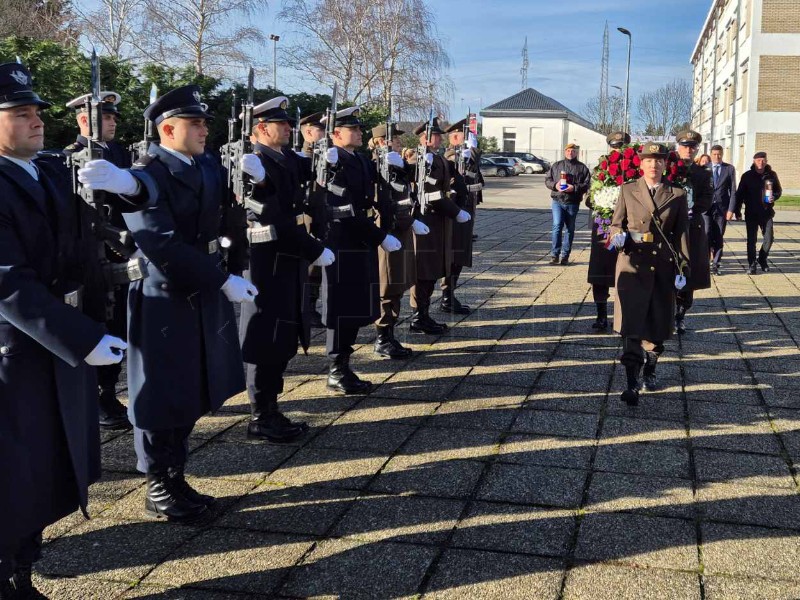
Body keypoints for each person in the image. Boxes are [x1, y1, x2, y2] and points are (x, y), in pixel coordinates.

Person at [0, 62, 153, 598]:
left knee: (44, 465)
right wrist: (83, 338)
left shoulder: (40, 171)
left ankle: (23, 567)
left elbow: (91, 228)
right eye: (20, 114)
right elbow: (8, 283)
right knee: (13, 468)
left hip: (54, 342)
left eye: (36, 113)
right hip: (16, 348)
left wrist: (125, 189)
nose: (36, 122)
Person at [122, 85, 255, 523]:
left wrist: (233, 262)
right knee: (161, 391)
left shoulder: (205, 166)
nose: (204, 130)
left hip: (203, 288)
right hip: (165, 294)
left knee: (194, 386)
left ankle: (176, 475)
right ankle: (157, 482)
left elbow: (225, 217)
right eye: (195, 123)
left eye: (204, 123)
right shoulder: (148, 173)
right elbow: (161, 242)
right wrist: (222, 279)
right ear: (168, 128)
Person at [236, 97, 335, 442]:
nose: (290, 129)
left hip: (289, 256)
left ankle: (271, 408)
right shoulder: (251, 162)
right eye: (282, 124)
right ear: (260, 128)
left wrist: (325, 158)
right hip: (266, 260)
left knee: (284, 333)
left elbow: (311, 174)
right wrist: (313, 248)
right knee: (265, 334)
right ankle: (259, 414)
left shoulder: (284, 157)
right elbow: (269, 214)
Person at [64, 90, 135, 431]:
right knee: (98, 323)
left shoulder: (119, 153)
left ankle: (110, 389)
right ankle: (96, 396)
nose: (113, 122)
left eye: (113, 117)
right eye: (107, 117)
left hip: (123, 251)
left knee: (119, 323)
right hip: (92, 256)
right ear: (84, 120)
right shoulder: (69, 158)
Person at [322, 106, 402, 393]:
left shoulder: (360, 159)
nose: (358, 132)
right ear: (335, 134)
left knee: (357, 306)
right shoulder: (332, 161)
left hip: (361, 239)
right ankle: (336, 369)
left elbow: (380, 194)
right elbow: (343, 210)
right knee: (341, 308)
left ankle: (344, 366)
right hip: (343, 241)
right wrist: (379, 235)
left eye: (359, 128)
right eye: (352, 129)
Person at [607, 142, 690, 405]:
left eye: (659, 161)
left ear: (665, 164)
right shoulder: (628, 189)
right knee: (631, 327)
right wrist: (616, 236)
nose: (654, 165)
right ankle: (631, 384)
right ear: (641, 164)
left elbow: (682, 234)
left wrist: (684, 268)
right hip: (632, 265)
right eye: (649, 160)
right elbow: (615, 223)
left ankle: (650, 367)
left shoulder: (676, 193)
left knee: (656, 327)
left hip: (662, 267)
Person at [371, 122, 427, 358]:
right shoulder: (375, 168)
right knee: (387, 286)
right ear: (382, 142)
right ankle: (382, 337)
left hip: (400, 232)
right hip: (386, 234)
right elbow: (380, 206)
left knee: (398, 284)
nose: (400, 143)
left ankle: (389, 335)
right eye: (395, 139)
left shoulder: (395, 166)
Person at [410, 118, 471, 334]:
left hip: (439, 221)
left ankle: (423, 314)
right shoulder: (420, 159)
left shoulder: (436, 158)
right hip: (426, 220)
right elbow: (430, 193)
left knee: (433, 269)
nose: (440, 138)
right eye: (436, 135)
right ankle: (419, 316)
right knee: (423, 270)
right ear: (426, 138)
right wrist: (455, 211)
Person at [586, 131, 631, 331]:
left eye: (622, 146)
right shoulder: (600, 170)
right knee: (600, 272)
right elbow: (589, 198)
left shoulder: (635, 170)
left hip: (628, 228)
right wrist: (604, 200)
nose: (618, 150)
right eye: (615, 146)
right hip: (603, 228)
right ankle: (601, 315)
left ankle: (626, 314)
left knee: (628, 271)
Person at [673, 130, 713, 335]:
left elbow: (708, 198)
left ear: (697, 149)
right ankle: (667, 311)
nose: (688, 150)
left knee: (691, 271)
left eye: (692, 146)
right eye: (685, 146)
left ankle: (681, 314)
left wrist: (693, 209)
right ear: (678, 147)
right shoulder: (669, 169)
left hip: (693, 227)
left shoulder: (703, 173)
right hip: (670, 228)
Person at [440, 119, 482, 314]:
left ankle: (450, 295)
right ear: (455, 137)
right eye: (465, 136)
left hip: (466, 209)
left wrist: (473, 152)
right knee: (454, 254)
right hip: (455, 211)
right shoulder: (451, 155)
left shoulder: (464, 154)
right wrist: (471, 153)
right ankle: (447, 296)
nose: (468, 140)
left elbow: (475, 176)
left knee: (461, 254)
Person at [731, 151, 782, 274]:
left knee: (769, 239)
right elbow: (740, 195)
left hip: (766, 212)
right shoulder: (747, 176)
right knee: (751, 240)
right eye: (758, 160)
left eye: (763, 160)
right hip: (751, 212)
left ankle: (762, 259)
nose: (761, 162)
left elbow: (778, 191)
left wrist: (773, 197)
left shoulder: (771, 175)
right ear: (754, 161)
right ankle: (752, 264)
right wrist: (737, 210)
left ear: (766, 161)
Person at [299, 110, 327, 327]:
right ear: (308, 132)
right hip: (309, 215)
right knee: (310, 264)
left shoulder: (323, 155)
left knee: (317, 265)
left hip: (322, 213)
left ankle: (310, 306)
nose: (325, 134)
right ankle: (306, 309)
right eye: (321, 130)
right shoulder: (304, 158)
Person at [545, 143, 590, 265]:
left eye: (573, 151)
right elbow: (548, 180)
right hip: (557, 201)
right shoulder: (557, 165)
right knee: (557, 226)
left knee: (570, 229)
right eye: (568, 150)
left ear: (577, 153)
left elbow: (587, 185)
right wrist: (555, 185)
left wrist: (574, 188)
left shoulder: (582, 168)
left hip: (573, 202)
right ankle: (554, 255)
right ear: (565, 152)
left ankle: (565, 255)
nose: (571, 153)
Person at [704, 145, 737, 275]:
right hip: (706, 208)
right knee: (706, 234)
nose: (717, 157)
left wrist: (731, 209)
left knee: (718, 236)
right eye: (714, 154)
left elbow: (733, 190)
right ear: (710, 154)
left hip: (722, 208)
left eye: (719, 154)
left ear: (722, 154)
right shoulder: (705, 168)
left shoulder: (729, 169)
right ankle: (705, 262)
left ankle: (716, 264)